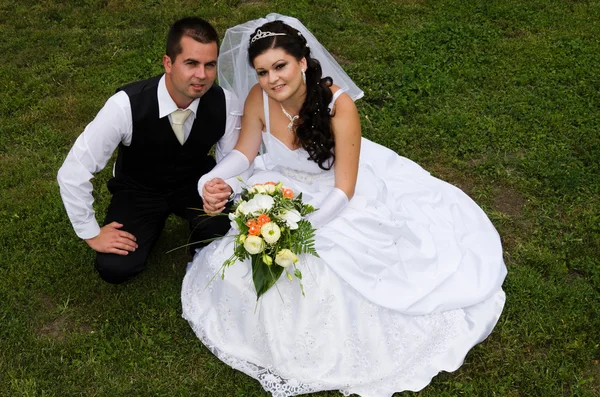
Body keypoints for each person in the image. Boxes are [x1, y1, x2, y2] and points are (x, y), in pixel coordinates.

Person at [182, 14, 507, 397]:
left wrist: (299, 228)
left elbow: (345, 190)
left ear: (302, 62)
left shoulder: (339, 106)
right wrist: (210, 179)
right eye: (263, 72)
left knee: (325, 272)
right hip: (285, 188)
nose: (273, 80)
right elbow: (244, 153)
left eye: (280, 66)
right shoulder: (259, 99)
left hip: (334, 194)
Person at [57, 17, 251, 284]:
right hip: (139, 189)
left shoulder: (225, 103)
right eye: (191, 63)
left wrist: (224, 187)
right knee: (116, 267)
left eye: (210, 65)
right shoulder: (126, 105)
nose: (202, 75)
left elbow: (233, 160)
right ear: (168, 63)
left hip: (195, 183)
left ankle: (200, 244)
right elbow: (73, 170)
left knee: (227, 227)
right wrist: (90, 232)